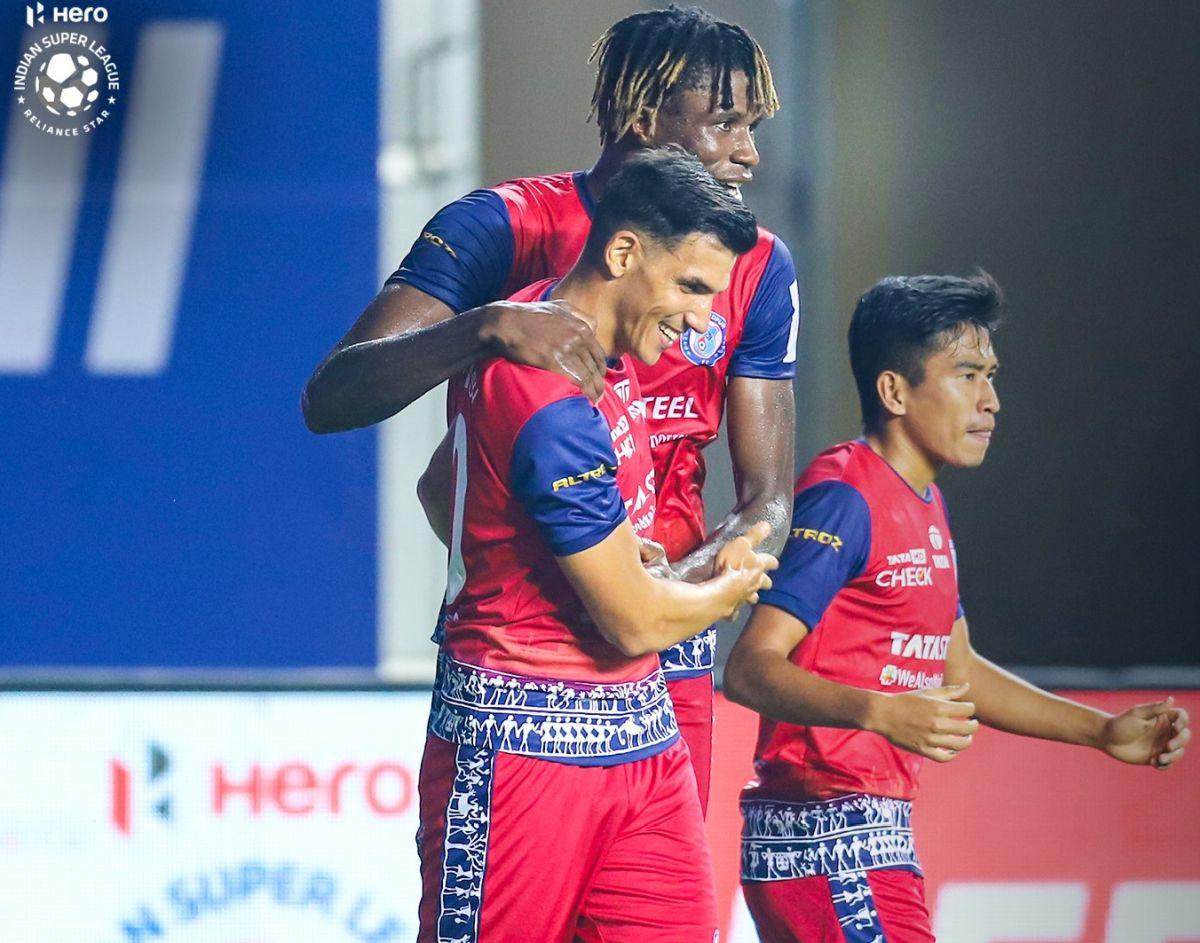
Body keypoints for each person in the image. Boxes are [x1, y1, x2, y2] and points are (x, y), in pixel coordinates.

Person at [302, 6, 800, 812]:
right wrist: (486, 325)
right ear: (643, 118)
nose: (748, 150)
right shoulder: (503, 224)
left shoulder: (761, 264)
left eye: (752, 125)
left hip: (666, 655)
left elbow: (767, 500)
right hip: (524, 672)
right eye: (725, 123)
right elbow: (333, 397)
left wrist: (670, 590)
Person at [723, 272, 1191, 943]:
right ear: (893, 391)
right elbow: (749, 667)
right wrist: (877, 709)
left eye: (991, 375)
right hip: (823, 833)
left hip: (870, 834)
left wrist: (1101, 731)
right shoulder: (844, 495)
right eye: (967, 374)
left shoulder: (927, 505)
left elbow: (958, 672)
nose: (991, 400)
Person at [416, 149, 777, 943]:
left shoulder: (568, 337)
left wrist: (600, 550)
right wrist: (731, 582)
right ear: (622, 253)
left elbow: (443, 490)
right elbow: (638, 624)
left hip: (643, 745)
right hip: (519, 759)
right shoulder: (549, 394)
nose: (699, 319)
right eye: (689, 287)